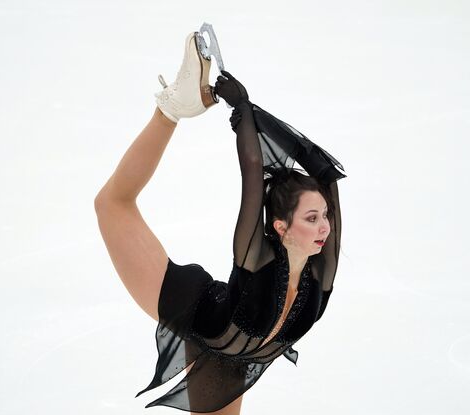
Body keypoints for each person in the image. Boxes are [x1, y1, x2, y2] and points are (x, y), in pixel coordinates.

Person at [94, 31, 347, 415]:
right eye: (312, 218)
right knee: (112, 204)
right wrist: (243, 113)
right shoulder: (258, 259)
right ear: (281, 227)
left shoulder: (321, 272)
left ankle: (181, 103)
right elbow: (252, 173)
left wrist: (258, 115)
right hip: (192, 309)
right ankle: (172, 108)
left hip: (230, 360)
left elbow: (327, 177)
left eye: (324, 216)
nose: (325, 227)